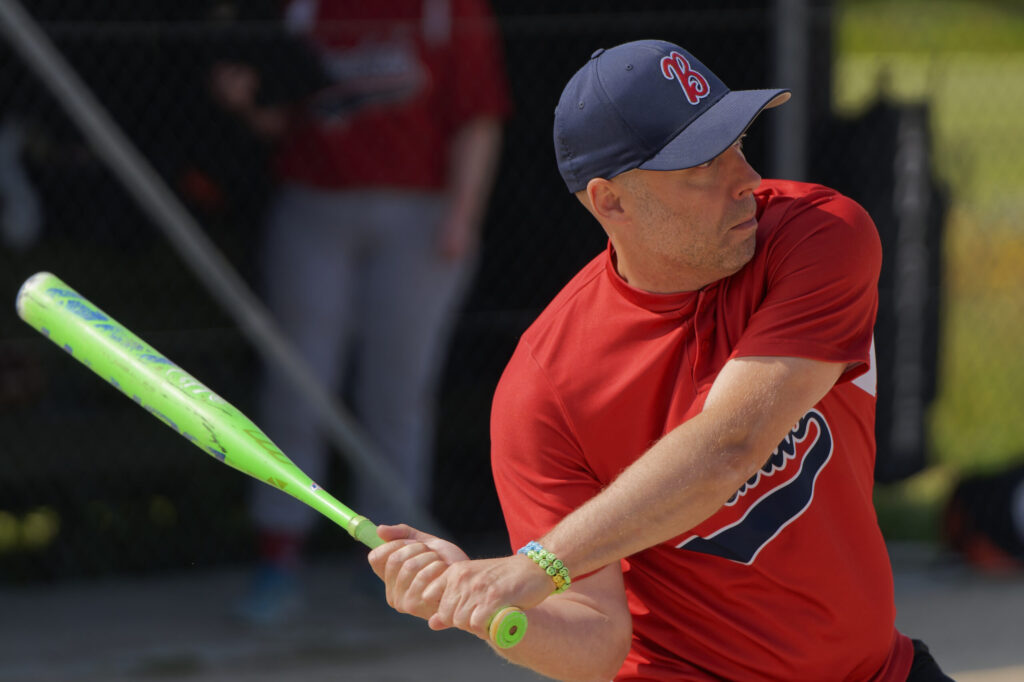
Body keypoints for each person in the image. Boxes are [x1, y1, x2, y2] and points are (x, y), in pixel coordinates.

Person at [367, 39, 954, 681]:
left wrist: (533, 567)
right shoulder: (544, 389)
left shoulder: (816, 233)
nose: (746, 182)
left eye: (736, 143)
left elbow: (733, 443)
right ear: (609, 201)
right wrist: (490, 608)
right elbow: (594, 640)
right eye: (702, 164)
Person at [208, 0, 512, 624]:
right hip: (314, 209)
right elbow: (286, 115)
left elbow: (479, 115)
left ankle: (391, 567)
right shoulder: (303, 9)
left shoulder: (449, 9)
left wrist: (464, 215)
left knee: (396, 391)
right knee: (297, 384)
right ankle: (278, 557)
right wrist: (242, 103)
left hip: (420, 216)